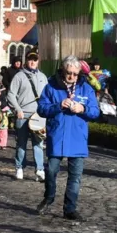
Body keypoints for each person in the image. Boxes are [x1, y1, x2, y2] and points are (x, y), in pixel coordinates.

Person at [36, 55, 100, 221]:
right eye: (68, 73)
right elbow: (41, 108)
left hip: (77, 137)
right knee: (51, 171)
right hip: (57, 135)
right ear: (63, 71)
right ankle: (49, 196)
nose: (71, 77)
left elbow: (95, 112)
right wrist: (58, 106)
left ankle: (70, 208)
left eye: (75, 74)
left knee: (75, 177)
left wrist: (83, 108)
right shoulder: (52, 86)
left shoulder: (86, 89)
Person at [7, 51, 47, 182]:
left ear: (38, 61)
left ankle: (39, 169)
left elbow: (47, 96)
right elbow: (11, 94)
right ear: (26, 60)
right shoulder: (19, 76)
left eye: (35, 59)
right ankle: (19, 167)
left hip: (38, 115)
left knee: (38, 143)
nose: (33, 62)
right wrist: (17, 109)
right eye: (30, 59)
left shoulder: (43, 76)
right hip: (23, 114)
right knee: (21, 143)